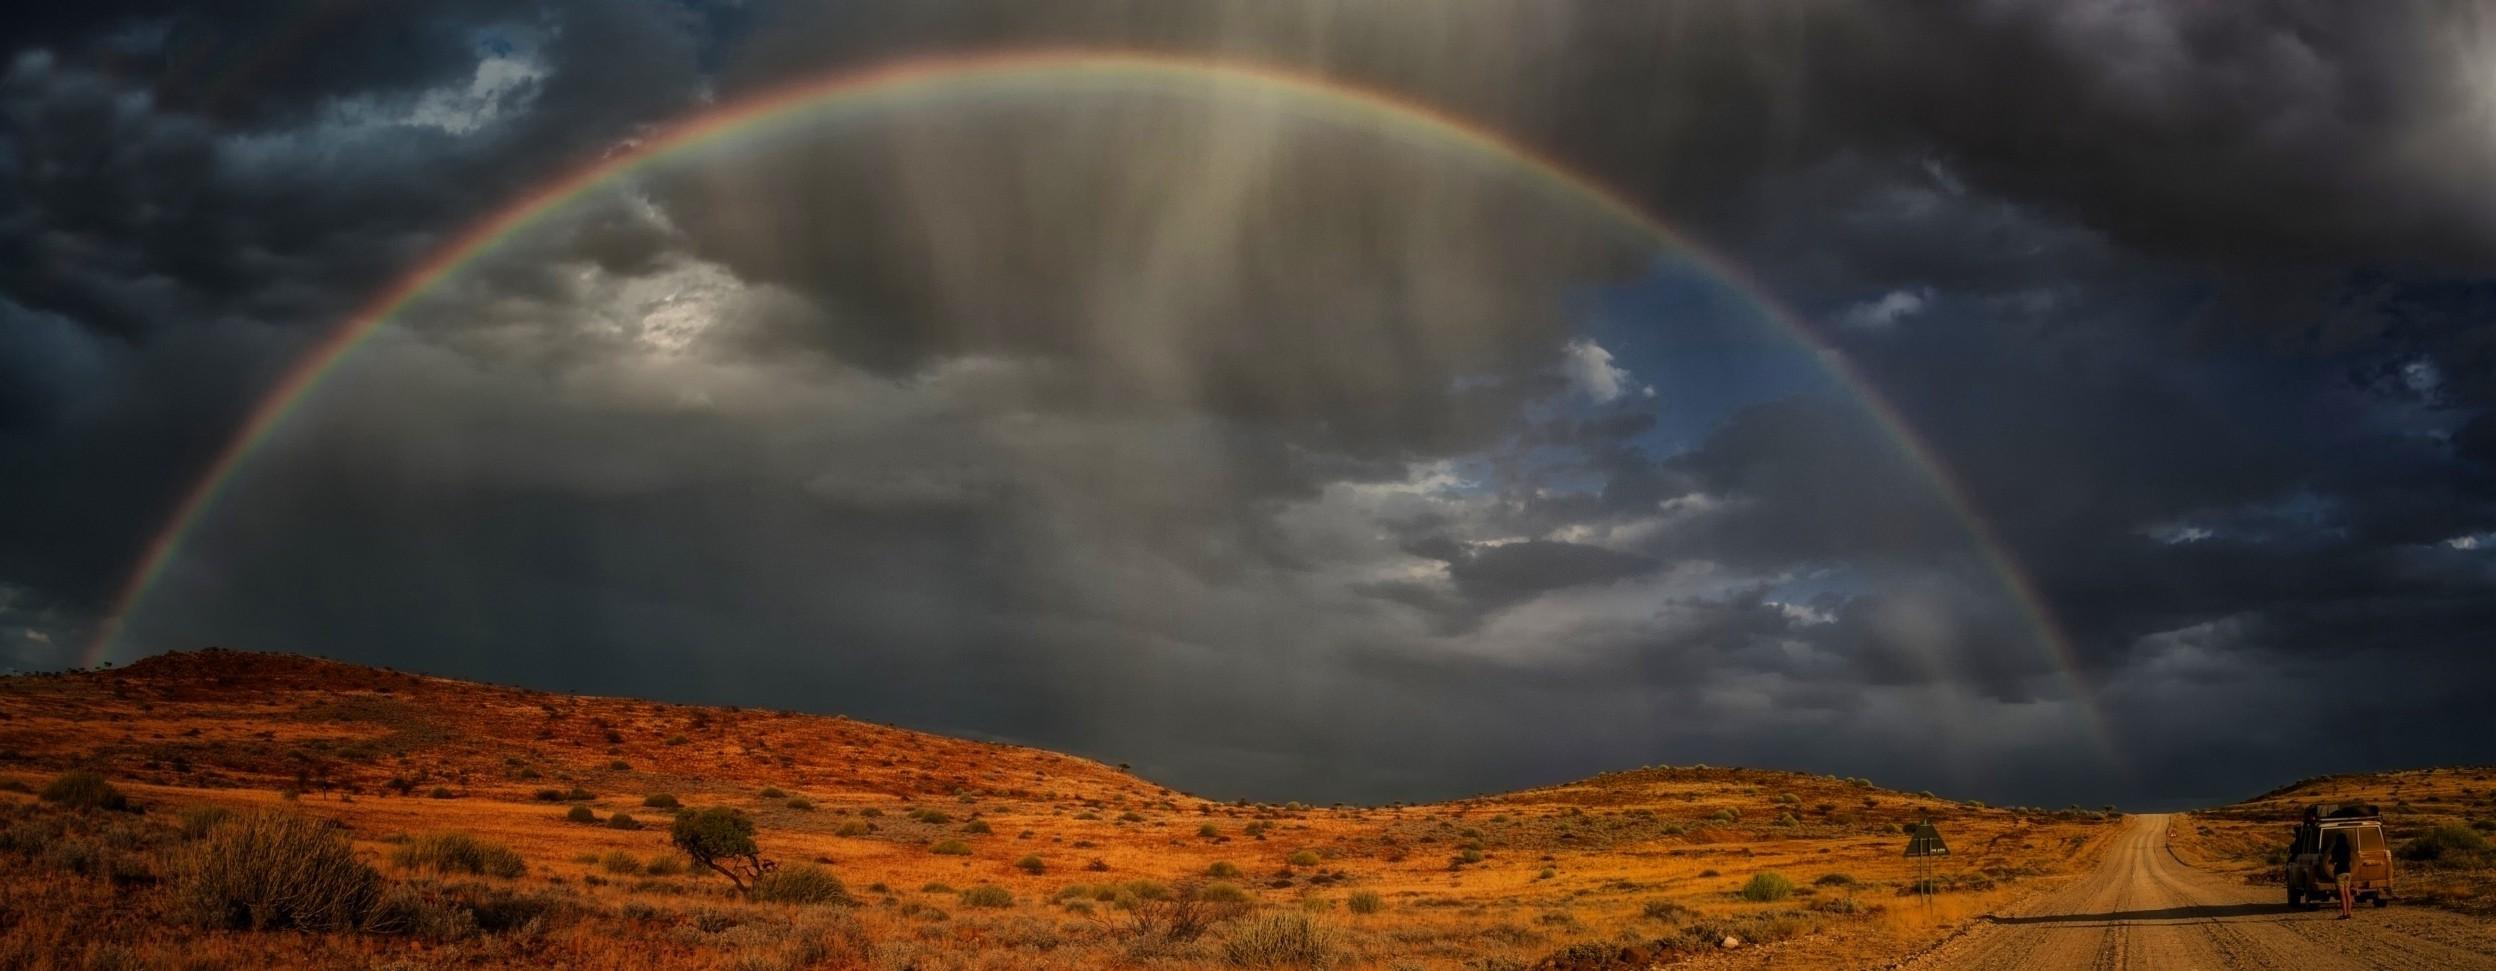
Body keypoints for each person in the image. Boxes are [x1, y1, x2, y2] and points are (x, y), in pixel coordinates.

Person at [2330, 831, 2355, 919]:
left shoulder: (2336, 848)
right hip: (2347, 871)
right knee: (2348, 893)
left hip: (2339, 872)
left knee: (2342, 895)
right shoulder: (2348, 847)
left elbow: (2333, 860)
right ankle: (2349, 912)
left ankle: (2344, 913)